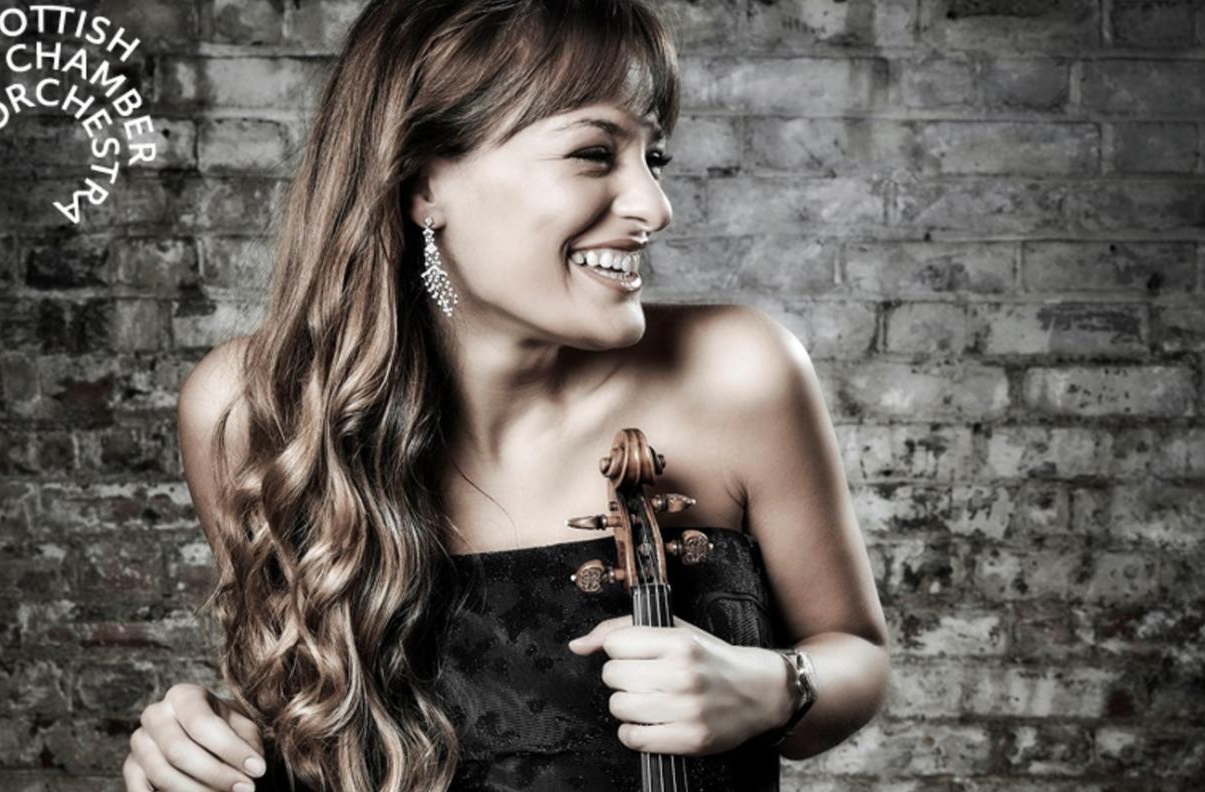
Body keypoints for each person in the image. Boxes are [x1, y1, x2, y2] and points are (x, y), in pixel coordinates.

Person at [120, 0, 889, 790]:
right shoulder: (253, 411)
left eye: (653, 158)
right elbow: (302, 718)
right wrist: (201, 739)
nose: (656, 209)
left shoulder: (738, 372)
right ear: (423, 182)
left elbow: (857, 654)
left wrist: (773, 687)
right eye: (595, 152)